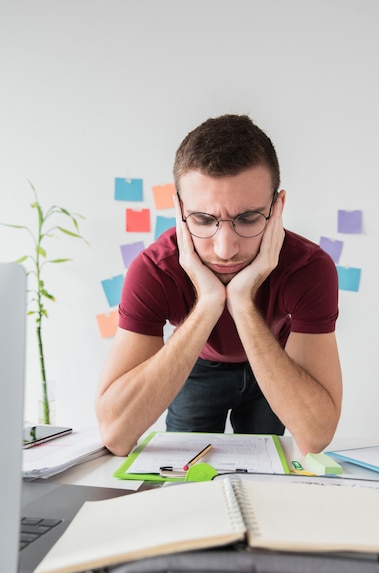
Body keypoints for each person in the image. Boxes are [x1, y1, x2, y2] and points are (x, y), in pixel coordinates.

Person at [96, 114, 342, 457]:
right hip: (196, 361)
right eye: (202, 220)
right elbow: (115, 434)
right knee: (186, 478)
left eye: (249, 218)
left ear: (278, 208)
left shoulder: (309, 268)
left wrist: (241, 301)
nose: (225, 249)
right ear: (179, 209)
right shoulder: (154, 271)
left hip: (272, 359)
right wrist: (210, 302)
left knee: (266, 476)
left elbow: (316, 437)